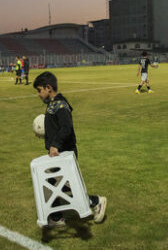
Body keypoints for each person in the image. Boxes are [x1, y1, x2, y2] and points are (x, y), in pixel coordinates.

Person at [33, 71, 107, 227]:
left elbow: (67, 127)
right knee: (53, 184)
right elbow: (57, 126)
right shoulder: (53, 105)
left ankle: (96, 201)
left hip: (65, 152)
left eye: (39, 90)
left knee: (65, 186)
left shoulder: (61, 105)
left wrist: (55, 144)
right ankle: (56, 217)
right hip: (57, 153)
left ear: (48, 88)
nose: (39, 94)